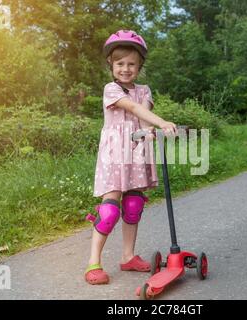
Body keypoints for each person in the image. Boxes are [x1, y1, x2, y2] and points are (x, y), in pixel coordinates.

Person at [84, 30, 177, 285]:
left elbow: (143, 112)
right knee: (110, 210)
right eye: (120, 63)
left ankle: (128, 256)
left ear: (140, 66)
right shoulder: (111, 90)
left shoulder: (144, 90)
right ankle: (94, 263)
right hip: (115, 154)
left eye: (132, 64)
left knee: (134, 205)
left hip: (136, 154)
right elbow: (132, 108)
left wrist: (151, 130)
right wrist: (162, 122)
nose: (126, 68)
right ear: (111, 65)